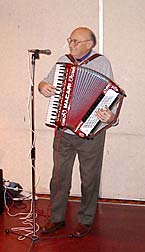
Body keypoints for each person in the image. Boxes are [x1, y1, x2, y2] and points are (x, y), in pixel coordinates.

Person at [38, 27, 117, 238]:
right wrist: (43, 86)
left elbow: (111, 95)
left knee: (89, 179)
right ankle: (56, 218)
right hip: (64, 131)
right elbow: (45, 82)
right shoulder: (63, 61)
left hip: (91, 134)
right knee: (58, 178)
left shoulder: (102, 63)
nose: (71, 44)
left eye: (76, 41)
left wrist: (111, 117)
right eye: (70, 40)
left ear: (90, 44)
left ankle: (86, 220)